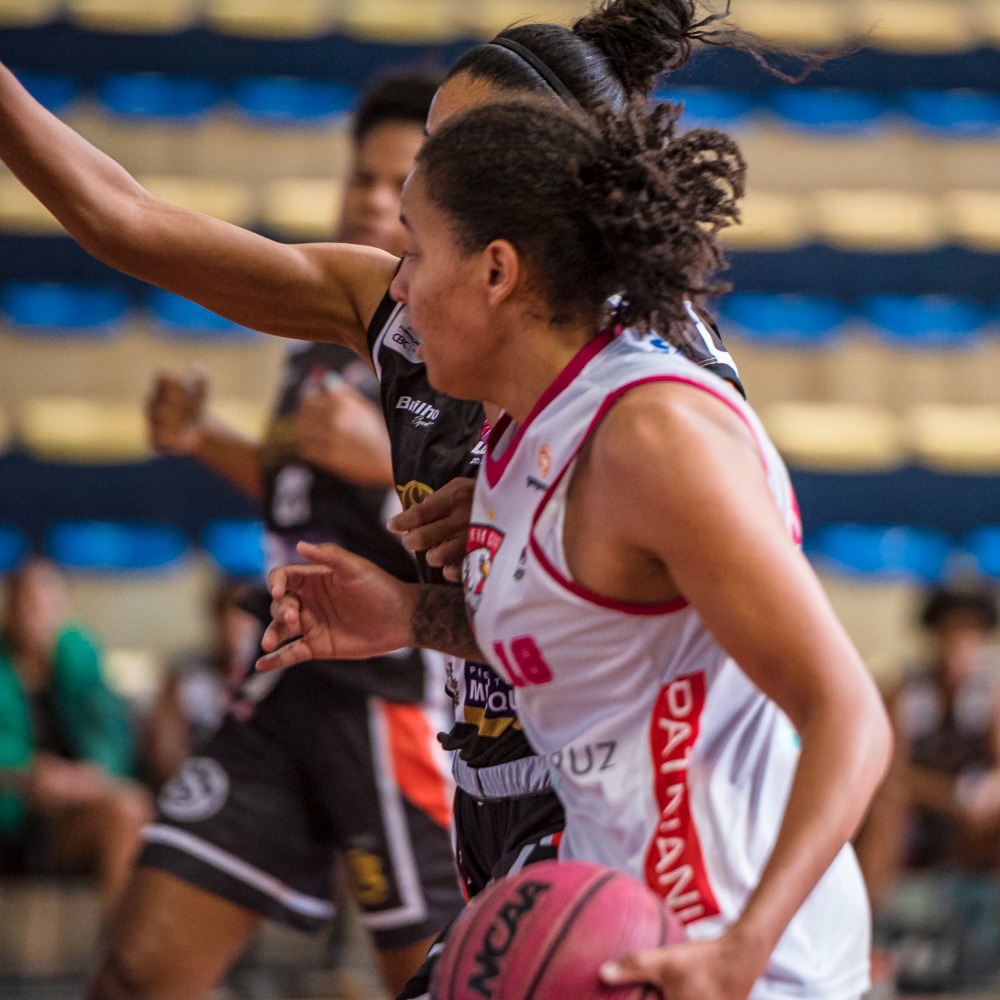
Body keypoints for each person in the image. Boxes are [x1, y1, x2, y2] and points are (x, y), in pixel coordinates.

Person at [0, 5, 800, 996]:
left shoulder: (651, 403)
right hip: (467, 762)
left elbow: (751, 668)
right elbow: (124, 219)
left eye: (448, 151)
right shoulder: (411, 308)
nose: (410, 191)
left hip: (609, 819)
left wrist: (525, 512)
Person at [256, 96, 893, 1000]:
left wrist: (743, 947)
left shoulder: (650, 437)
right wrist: (405, 613)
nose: (397, 286)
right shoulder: (519, 442)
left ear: (497, 270)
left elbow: (850, 713)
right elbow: (594, 643)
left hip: (743, 958)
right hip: (608, 920)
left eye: (416, 252)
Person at [89, 71, 464, 1000]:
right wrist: (203, 440)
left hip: (389, 700)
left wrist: (383, 458)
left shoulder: (458, 345)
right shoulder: (315, 338)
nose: (372, 199)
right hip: (285, 680)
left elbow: (513, 515)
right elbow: (299, 486)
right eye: (360, 179)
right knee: (138, 969)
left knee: (437, 983)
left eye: (396, 183)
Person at [0, 557, 152, 912]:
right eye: (28, 604)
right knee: (126, 813)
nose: (37, 615)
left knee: (133, 810)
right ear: (10, 608)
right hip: (18, 819)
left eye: (48, 604)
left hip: (75, 810)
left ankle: (125, 946)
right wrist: (31, 771)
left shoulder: (80, 657)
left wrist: (84, 779)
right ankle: (124, 952)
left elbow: (114, 742)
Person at [855, 581, 1000, 910]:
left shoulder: (988, 696)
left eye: (969, 636)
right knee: (886, 810)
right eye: (951, 634)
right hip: (915, 815)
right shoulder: (905, 691)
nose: (959, 646)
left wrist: (987, 792)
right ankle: (873, 924)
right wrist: (951, 795)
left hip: (966, 823)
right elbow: (891, 772)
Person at [142, 579, 262, 789]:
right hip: (198, 790)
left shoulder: (274, 681)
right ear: (217, 619)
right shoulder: (186, 677)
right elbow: (167, 756)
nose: (243, 625)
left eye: (253, 616)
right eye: (236, 613)